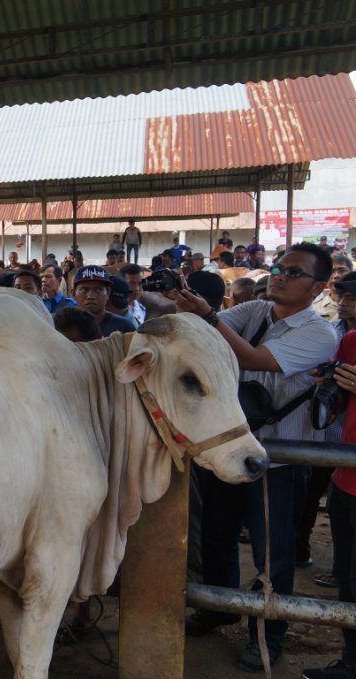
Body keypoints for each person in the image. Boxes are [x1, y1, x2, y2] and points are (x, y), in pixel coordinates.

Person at [176, 243, 338, 672]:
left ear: (319, 287)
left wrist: (208, 315)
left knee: (273, 554)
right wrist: (187, 304)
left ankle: (268, 632)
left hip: (276, 464)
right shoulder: (254, 313)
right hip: (229, 448)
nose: (280, 276)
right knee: (216, 536)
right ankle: (219, 605)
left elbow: (254, 359)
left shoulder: (320, 333)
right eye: (280, 268)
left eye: (294, 272)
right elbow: (206, 329)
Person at [302, 297, 356, 679]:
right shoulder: (351, 340)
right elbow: (336, 410)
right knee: (350, 580)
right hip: (347, 479)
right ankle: (352, 662)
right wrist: (327, 388)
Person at [71, 266, 135, 337]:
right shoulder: (63, 327)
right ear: (73, 293)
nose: (91, 296)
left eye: (98, 290)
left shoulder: (124, 327)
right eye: (83, 289)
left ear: (108, 293)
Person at [313, 255, 354, 321]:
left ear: (351, 273)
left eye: (342, 270)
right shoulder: (313, 308)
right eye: (331, 272)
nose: (336, 276)